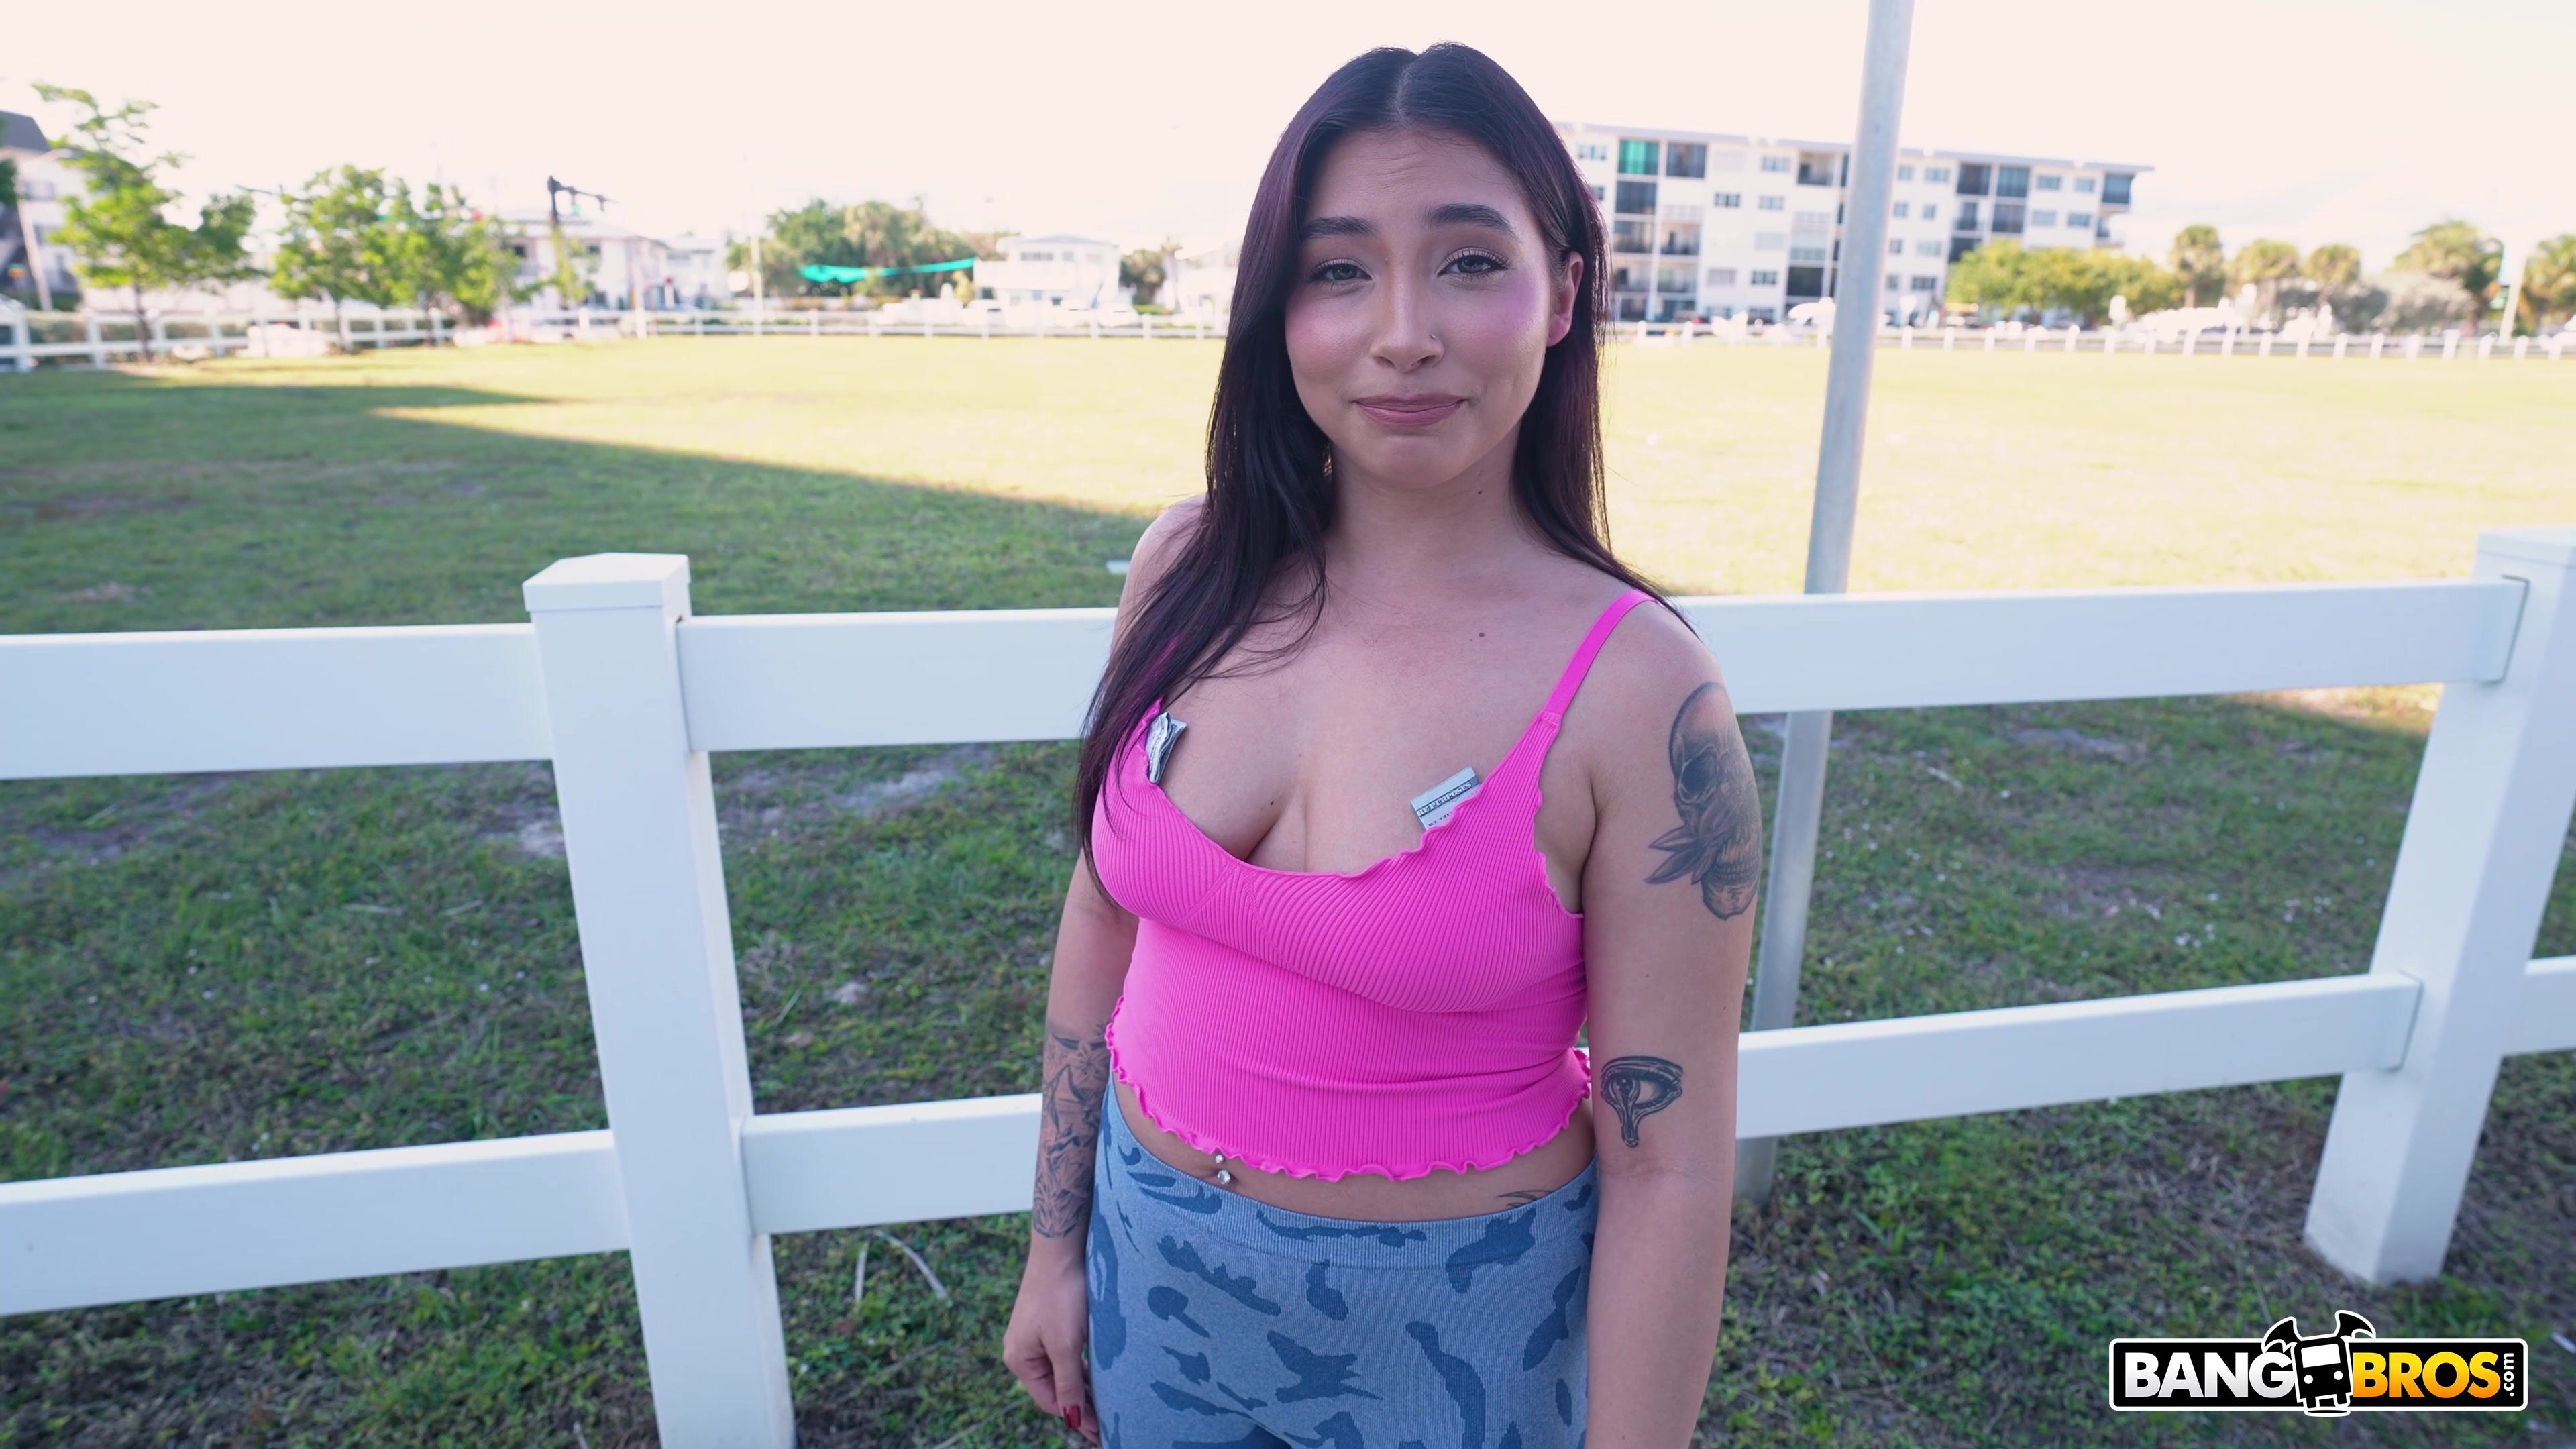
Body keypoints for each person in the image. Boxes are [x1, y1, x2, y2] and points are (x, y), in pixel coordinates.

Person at [1002, 42, 1759, 1449]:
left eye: (1469, 262)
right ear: (1276, 307)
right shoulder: (1186, 569)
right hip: (1149, 1271)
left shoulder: (1641, 693)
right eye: (1339, 269)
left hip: (1455, 1333)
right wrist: (1057, 1249)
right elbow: (1104, 916)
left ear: (1563, 294)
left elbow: (1669, 1168)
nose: (1402, 332)